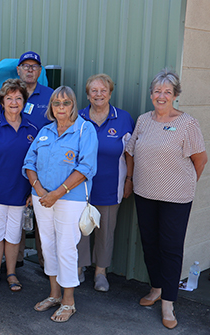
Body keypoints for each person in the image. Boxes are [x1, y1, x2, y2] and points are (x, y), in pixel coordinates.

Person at [125, 69, 207, 329]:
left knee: (170, 249)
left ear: (175, 96)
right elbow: (131, 152)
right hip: (145, 193)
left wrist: (182, 182)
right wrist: (130, 179)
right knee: (150, 243)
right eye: (157, 91)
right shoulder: (143, 120)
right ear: (151, 95)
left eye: (167, 92)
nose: (162, 96)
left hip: (176, 198)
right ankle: (156, 288)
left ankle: (168, 304)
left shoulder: (187, 123)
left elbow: (200, 159)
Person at [23, 86, 98, 322]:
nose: (61, 108)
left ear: (73, 105)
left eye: (66, 103)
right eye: (57, 103)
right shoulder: (45, 131)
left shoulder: (85, 130)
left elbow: (86, 168)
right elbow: (29, 161)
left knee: (66, 247)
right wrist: (39, 190)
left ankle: (68, 301)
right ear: (51, 107)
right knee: (48, 245)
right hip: (42, 198)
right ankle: (54, 294)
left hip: (69, 199)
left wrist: (57, 192)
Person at [0, 79, 38, 292]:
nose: (14, 102)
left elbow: (37, 163)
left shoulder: (32, 128)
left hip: (21, 194)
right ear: (2, 101)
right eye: (9, 98)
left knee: (13, 236)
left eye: (18, 98)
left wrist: (33, 191)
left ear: (24, 102)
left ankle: (11, 273)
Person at [77, 74, 134, 291]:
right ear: (88, 94)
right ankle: (79, 267)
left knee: (106, 230)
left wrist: (129, 179)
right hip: (80, 186)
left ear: (110, 92)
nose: (98, 94)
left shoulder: (123, 118)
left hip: (111, 185)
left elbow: (130, 153)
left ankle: (101, 272)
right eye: (94, 90)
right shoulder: (79, 117)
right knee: (80, 228)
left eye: (103, 90)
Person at [15, 51, 54, 269]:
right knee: (16, 210)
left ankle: (45, 263)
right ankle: (16, 259)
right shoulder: (11, 93)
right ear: (18, 69)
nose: (30, 70)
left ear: (40, 71)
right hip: (15, 163)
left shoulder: (51, 95)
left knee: (43, 216)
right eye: (26, 66)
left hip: (43, 167)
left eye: (34, 66)